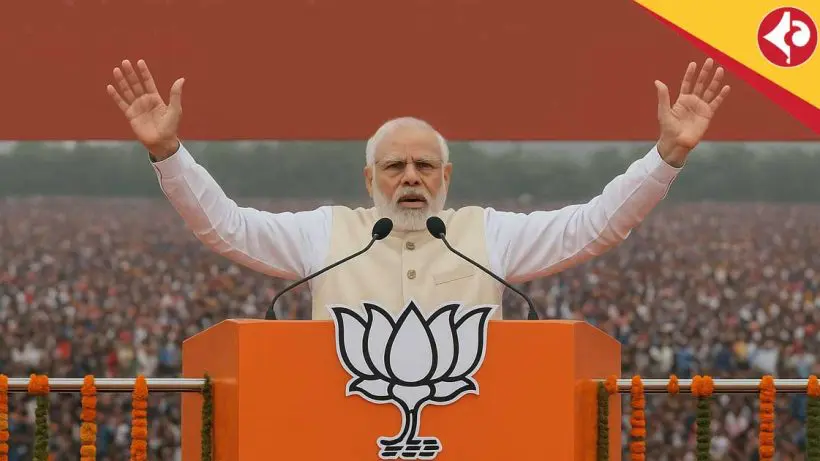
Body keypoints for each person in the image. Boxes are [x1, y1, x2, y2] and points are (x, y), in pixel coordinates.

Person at [106, 58, 730, 320]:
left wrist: (667, 156)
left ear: (446, 178)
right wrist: (167, 151)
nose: (411, 178)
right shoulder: (327, 234)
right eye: (396, 166)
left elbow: (595, 226)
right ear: (369, 178)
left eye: (425, 167)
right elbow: (227, 227)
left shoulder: (486, 234)